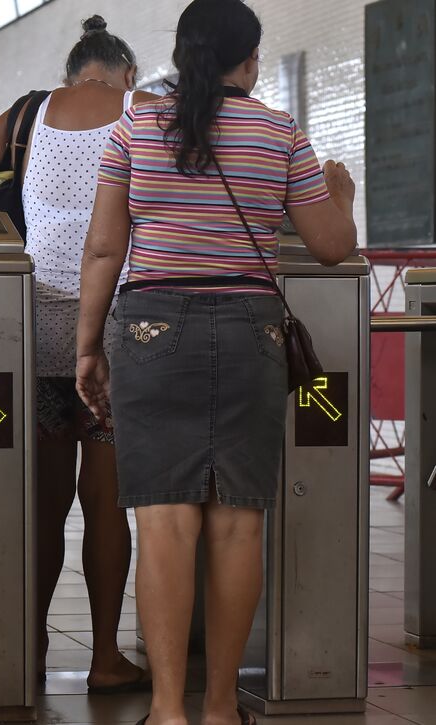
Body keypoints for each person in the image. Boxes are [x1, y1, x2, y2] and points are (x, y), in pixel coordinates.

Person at [75, 3, 357, 724]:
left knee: (164, 524)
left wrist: (86, 345)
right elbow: (330, 245)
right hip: (248, 335)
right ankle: (221, 708)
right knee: (236, 525)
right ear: (250, 59)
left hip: (148, 331)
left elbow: (105, 249)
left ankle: (168, 709)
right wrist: (343, 197)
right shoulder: (279, 132)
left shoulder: (135, 127)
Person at [0, 15, 152, 692]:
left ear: (70, 75)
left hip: (37, 330)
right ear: (128, 73)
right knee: (107, 501)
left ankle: (28, 649)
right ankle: (105, 657)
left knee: (47, 501)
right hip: (116, 328)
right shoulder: (143, 110)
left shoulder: (28, 113)